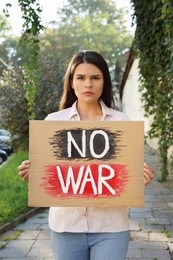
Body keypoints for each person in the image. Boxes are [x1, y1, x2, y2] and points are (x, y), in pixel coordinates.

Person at [18, 50, 154, 260]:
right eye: (80, 78)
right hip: (66, 227)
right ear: (71, 82)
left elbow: (125, 175)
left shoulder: (121, 123)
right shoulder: (54, 123)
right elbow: (51, 175)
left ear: (104, 82)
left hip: (111, 227)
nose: (88, 84)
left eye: (95, 78)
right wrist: (34, 175)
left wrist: (137, 179)